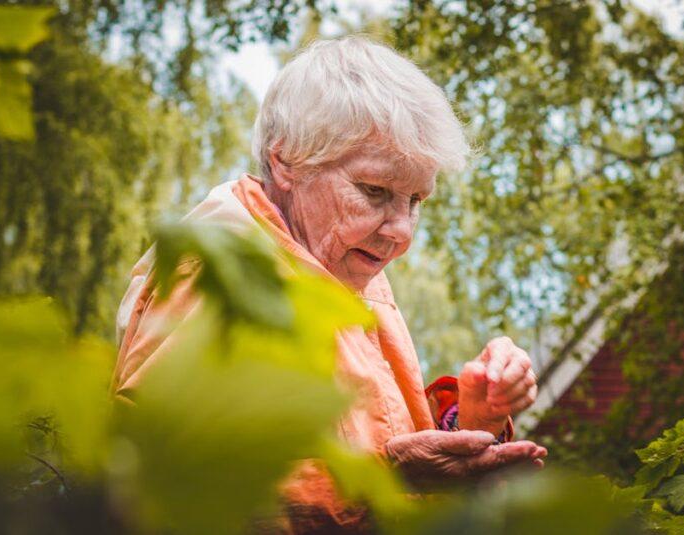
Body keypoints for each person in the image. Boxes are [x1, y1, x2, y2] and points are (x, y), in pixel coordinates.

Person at [112, 36, 546, 532]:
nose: (401, 231)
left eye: (416, 201)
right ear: (287, 161)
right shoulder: (222, 276)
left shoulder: (344, 264)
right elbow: (158, 484)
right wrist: (385, 479)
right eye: (374, 191)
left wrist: (473, 419)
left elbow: (376, 435)